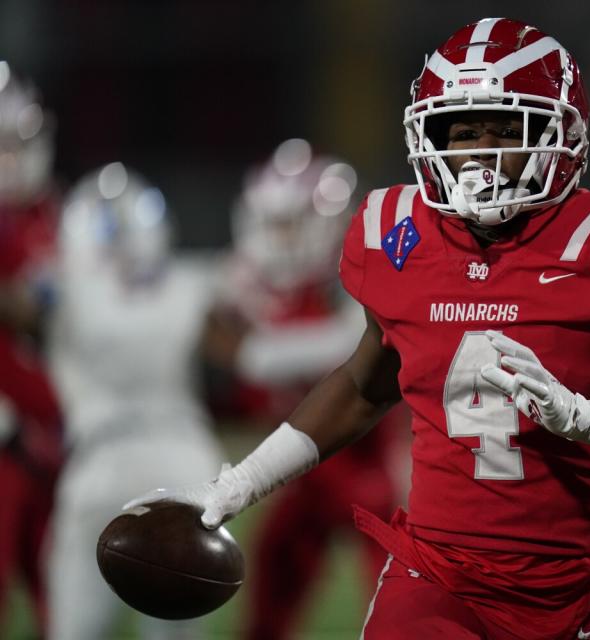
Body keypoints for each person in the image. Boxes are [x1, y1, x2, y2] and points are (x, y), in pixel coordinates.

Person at [127, 18, 590, 639]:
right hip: (436, 577)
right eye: (462, 130)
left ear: (563, 135)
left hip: (572, 585)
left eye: (508, 128)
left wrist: (585, 418)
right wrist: (235, 485)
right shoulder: (397, 234)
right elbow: (363, 386)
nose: (480, 150)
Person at [202, 139, 407, 639]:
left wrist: (256, 354)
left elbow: (345, 348)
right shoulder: (248, 281)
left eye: (290, 223)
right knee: (266, 604)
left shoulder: (360, 263)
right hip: (304, 468)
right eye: (272, 224)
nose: (280, 238)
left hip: (372, 466)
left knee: (402, 609)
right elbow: (208, 323)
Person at [41, 163, 222, 640]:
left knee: (76, 632)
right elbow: (252, 357)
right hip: (187, 465)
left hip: (101, 459)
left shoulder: (58, 287)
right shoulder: (191, 281)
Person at [0, 61, 63, 638]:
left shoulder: (51, 213)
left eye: (17, 142)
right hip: (7, 440)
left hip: (49, 439)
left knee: (62, 599)